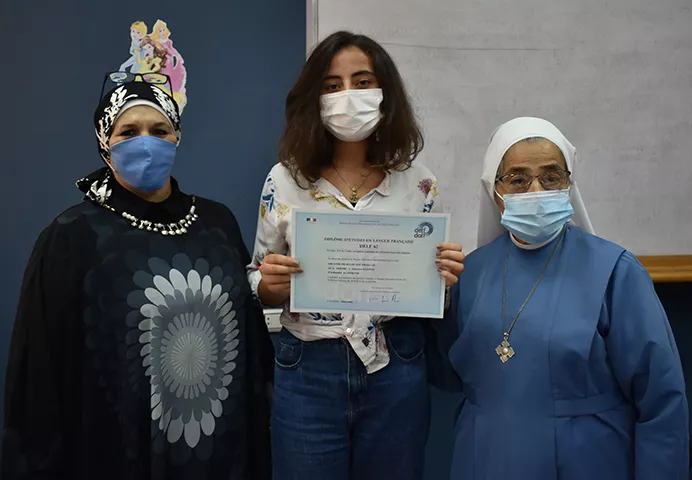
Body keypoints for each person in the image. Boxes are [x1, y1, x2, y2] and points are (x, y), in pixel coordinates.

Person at [2, 77, 273, 480]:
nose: (146, 142)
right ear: (105, 142)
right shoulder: (73, 236)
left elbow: (249, 340)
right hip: (116, 451)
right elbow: (39, 367)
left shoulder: (217, 224)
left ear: (176, 137)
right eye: (129, 132)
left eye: (159, 130)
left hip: (219, 451)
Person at [247, 31, 465, 479]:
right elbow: (257, 275)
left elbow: (433, 295)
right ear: (315, 98)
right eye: (332, 85)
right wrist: (267, 286)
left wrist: (444, 279)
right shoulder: (284, 180)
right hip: (307, 368)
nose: (348, 95)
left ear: (385, 92)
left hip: (396, 365)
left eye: (362, 81)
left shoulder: (419, 183)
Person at [444, 116, 689, 479]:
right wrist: (432, 293)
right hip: (486, 457)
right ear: (494, 191)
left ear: (569, 184)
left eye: (551, 177)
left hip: (587, 460)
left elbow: (661, 400)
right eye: (518, 179)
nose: (536, 191)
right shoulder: (470, 272)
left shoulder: (616, 271)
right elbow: (445, 373)